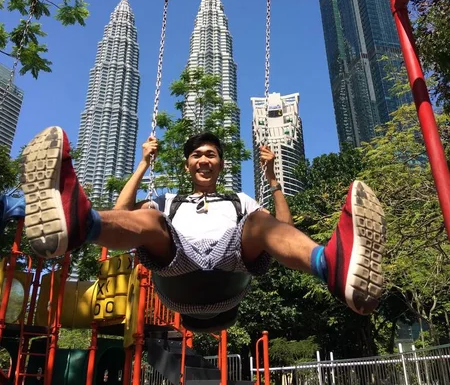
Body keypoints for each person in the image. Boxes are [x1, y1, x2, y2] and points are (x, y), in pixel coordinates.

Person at [19, 126, 385, 328]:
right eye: (197, 155)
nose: (204, 160)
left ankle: (328, 264)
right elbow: (123, 213)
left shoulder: (238, 200)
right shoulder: (169, 201)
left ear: (221, 164)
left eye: (211, 154)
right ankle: (81, 222)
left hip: (230, 271)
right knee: (148, 216)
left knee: (258, 222)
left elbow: (281, 228)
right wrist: (144, 164)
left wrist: (272, 178)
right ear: (187, 165)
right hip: (176, 270)